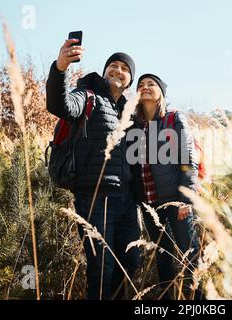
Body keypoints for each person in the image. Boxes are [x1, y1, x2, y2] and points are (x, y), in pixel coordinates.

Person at [46, 38, 140, 300]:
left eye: (124, 68)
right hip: (95, 198)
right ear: (104, 71)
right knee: (102, 268)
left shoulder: (129, 113)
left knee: (132, 261)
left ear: (130, 80)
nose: (117, 70)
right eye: (113, 65)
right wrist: (60, 68)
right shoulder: (88, 96)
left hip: (126, 201)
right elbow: (60, 105)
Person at [129, 73, 202, 299]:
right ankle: (166, 296)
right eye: (141, 85)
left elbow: (189, 160)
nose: (145, 87)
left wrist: (185, 199)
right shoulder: (134, 124)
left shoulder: (173, 118)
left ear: (161, 91)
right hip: (149, 201)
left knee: (189, 250)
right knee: (162, 251)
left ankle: (198, 299)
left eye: (151, 84)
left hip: (175, 199)